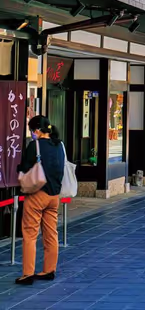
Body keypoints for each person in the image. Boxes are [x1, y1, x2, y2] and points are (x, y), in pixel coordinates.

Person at [16, 115, 64, 285]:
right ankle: (49, 270)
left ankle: (28, 273)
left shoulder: (34, 145)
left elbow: (25, 167)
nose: (31, 133)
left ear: (37, 130)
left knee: (30, 234)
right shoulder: (60, 145)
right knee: (51, 233)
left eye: (31, 130)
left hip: (37, 194)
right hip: (54, 196)